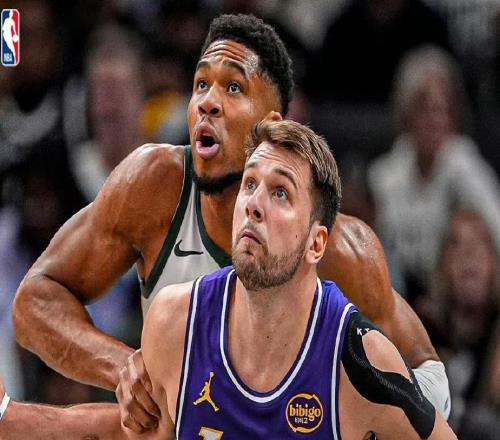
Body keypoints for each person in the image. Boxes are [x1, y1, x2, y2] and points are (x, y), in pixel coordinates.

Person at [13, 14, 449, 430]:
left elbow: (426, 375)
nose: (207, 102)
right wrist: (125, 367)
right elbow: (36, 300)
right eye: (201, 84)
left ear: (270, 127)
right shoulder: (153, 187)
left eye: (233, 88)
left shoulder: (332, 246)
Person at [368, 45, 500, 301]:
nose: (435, 120)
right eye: (425, 109)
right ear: (407, 113)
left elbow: (497, 231)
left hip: (454, 300)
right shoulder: (384, 175)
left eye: (443, 110)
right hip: (400, 296)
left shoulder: (464, 164)